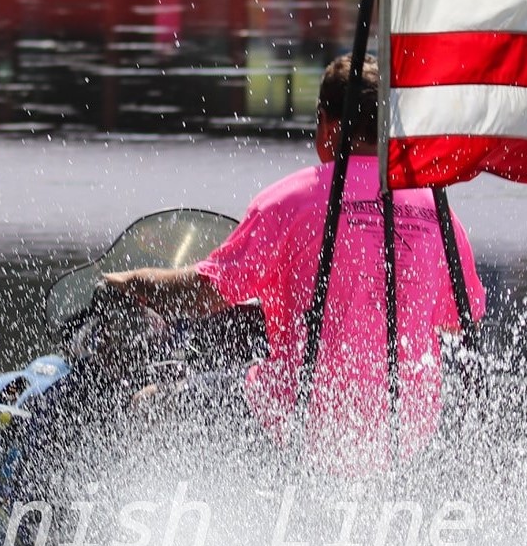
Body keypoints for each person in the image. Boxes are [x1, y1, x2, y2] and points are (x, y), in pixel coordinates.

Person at [104, 54, 485, 470]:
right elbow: (459, 318)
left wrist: (133, 281)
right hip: (406, 426)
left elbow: (203, 292)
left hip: (304, 416)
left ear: (326, 123)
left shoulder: (290, 200)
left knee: (153, 403)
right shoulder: (439, 212)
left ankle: (146, 510)